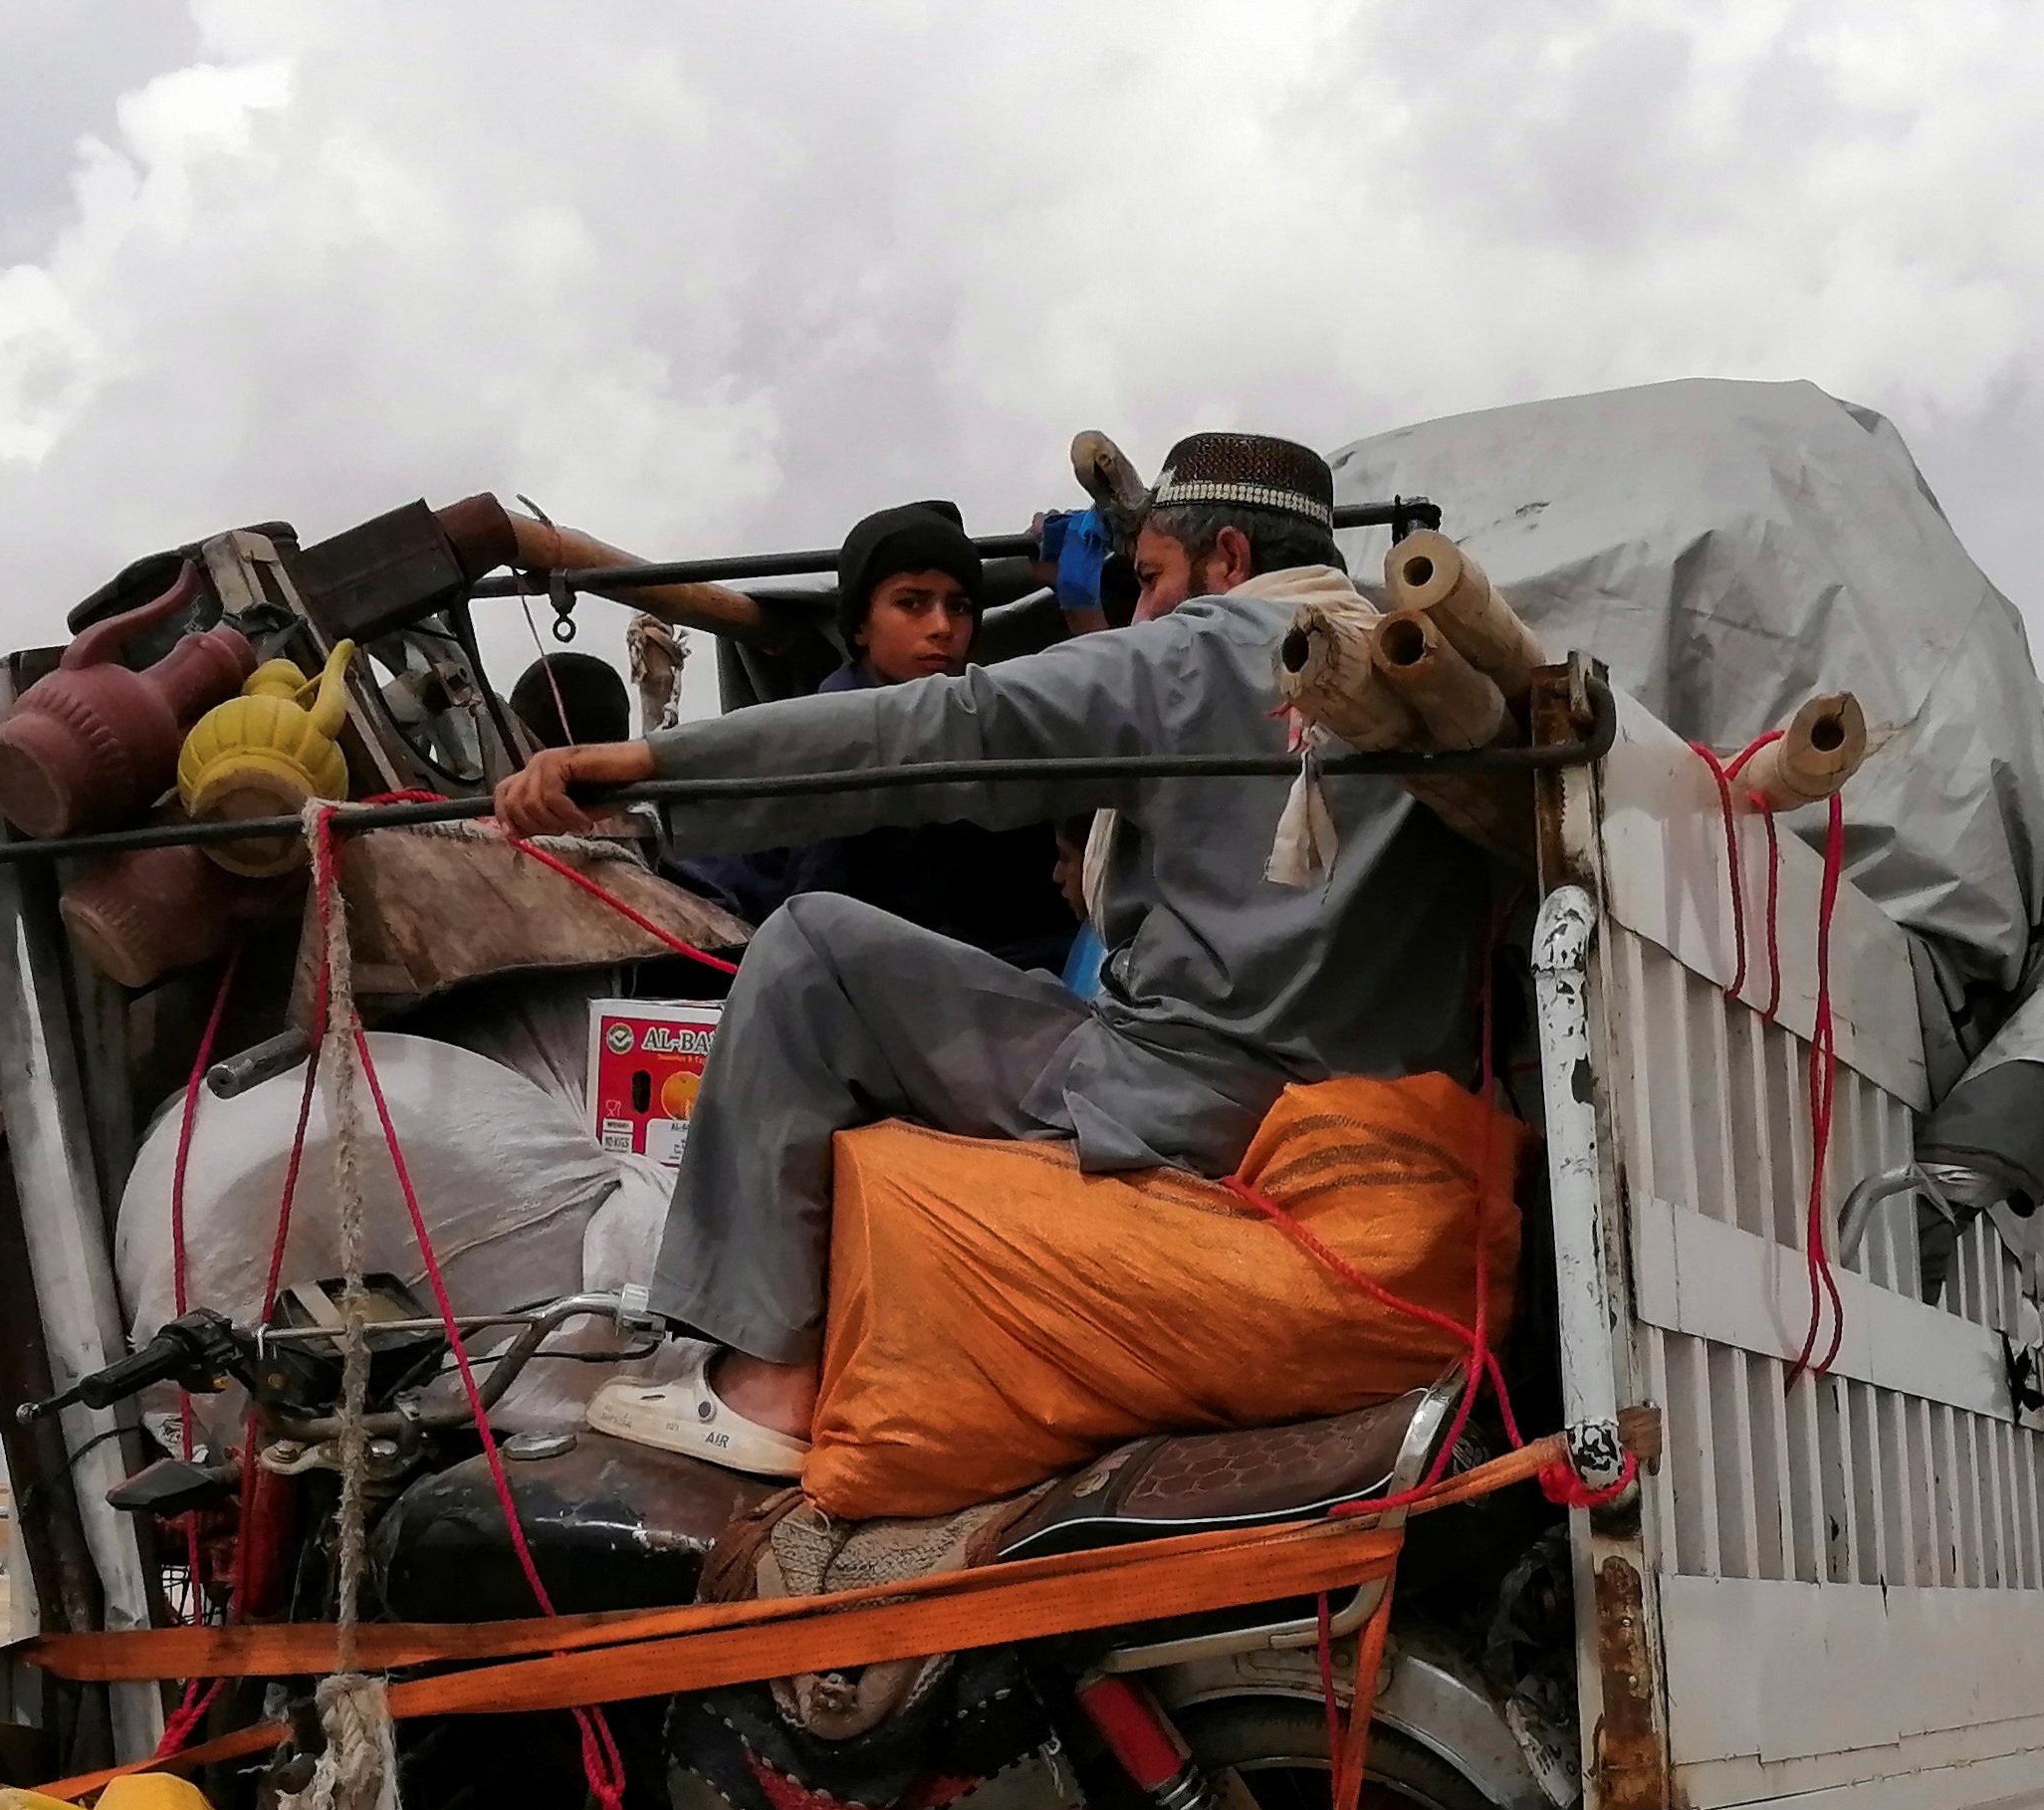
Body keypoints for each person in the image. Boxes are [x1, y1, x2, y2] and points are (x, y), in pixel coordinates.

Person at [492, 432, 1509, 1475]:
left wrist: (659, 767)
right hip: (1387, 1110)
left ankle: (770, 1387)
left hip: (1183, 1100)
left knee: (813, 951)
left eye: (1151, 578)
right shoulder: (1444, 681)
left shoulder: (1196, 652)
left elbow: (942, 730)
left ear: (1231, 557)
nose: (1143, 608)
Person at [667, 502, 1078, 979]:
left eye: (960, 606)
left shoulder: (983, 728)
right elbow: (787, 909)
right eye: (912, 603)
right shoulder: (816, 737)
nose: (942, 627)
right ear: (860, 624)